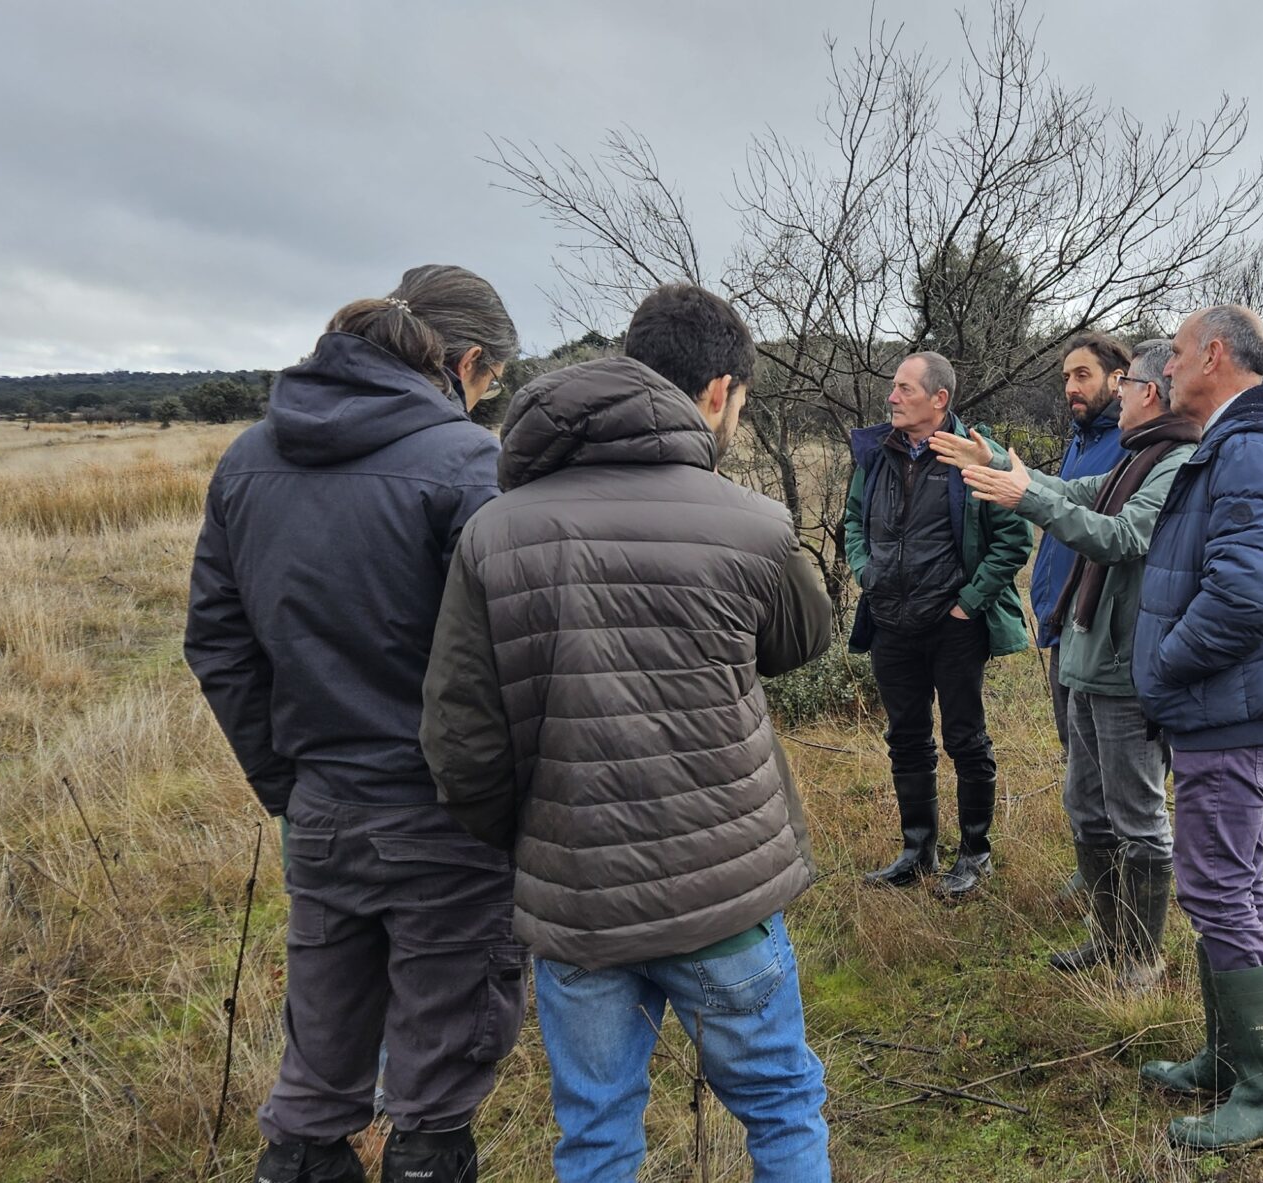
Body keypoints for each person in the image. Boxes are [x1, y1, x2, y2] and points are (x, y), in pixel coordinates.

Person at [420, 282, 834, 1183]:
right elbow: (805, 641)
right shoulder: (753, 524)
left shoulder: (494, 532)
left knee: (597, 1133)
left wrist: (533, 837)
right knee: (781, 1102)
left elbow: (461, 745)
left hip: (576, 901)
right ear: (718, 392)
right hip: (725, 892)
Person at [184, 265, 522, 1183]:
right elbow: (510, 655)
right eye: (491, 383)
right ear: (467, 362)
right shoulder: (467, 463)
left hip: (323, 812)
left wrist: (289, 782)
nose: (485, 400)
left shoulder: (247, 458)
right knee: (436, 1097)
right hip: (448, 824)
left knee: (316, 1076)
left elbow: (217, 642)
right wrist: (491, 797)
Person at [1129, 304, 1263, 1151]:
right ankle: (1229, 1056)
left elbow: (1246, 594)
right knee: (1231, 876)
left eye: (1179, 352)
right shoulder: (1241, 440)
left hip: (1232, 705)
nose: (1167, 367)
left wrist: (1164, 664)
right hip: (1234, 702)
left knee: (1218, 881)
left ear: (1214, 354)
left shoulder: (1250, 448)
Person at [929, 338, 1195, 990]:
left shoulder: (1176, 463)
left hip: (1127, 667)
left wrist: (1025, 498)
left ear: (1148, 392)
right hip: (1086, 655)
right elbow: (1070, 489)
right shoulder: (1136, 459)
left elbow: (1123, 537)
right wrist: (996, 462)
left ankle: (1141, 958)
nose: (1117, 396)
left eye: (1123, 386)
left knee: (1136, 816)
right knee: (1087, 806)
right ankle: (1107, 939)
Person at [842, 352, 1033, 899]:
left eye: (904, 388)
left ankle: (975, 853)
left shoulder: (976, 455)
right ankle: (917, 851)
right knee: (905, 737)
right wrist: (866, 572)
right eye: (894, 388)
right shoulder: (876, 455)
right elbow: (853, 521)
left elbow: (1013, 540)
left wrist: (968, 603)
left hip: (953, 626)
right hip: (890, 620)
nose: (892, 397)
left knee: (965, 739)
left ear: (939, 398)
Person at [1032, 331, 1132, 902]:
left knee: (1104, 762)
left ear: (1119, 379)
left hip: (1096, 625)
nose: (1070, 387)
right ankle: (1093, 870)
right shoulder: (1081, 437)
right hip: (1061, 621)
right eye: (1066, 377)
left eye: (1082, 375)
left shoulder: (1127, 441)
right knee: (1076, 755)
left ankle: (1115, 883)